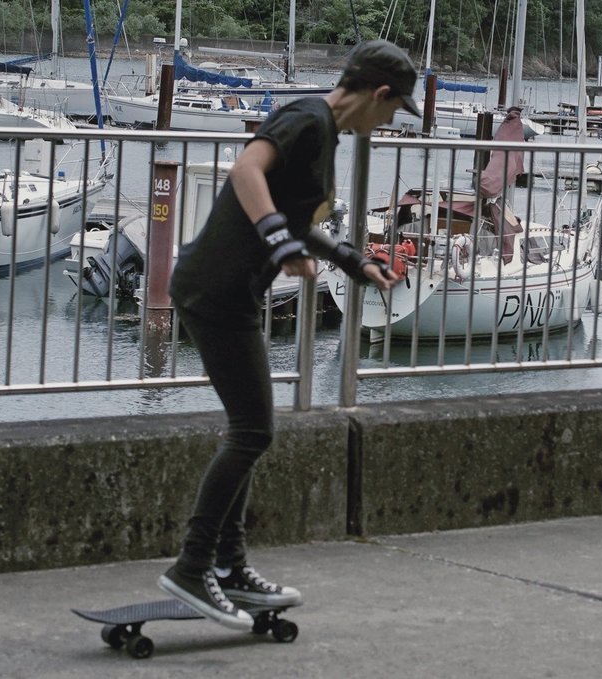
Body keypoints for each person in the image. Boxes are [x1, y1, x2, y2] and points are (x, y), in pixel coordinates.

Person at [158, 40, 420, 628]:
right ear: (379, 95)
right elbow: (246, 169)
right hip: (214, 288)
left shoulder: (323, 133)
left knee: (250, 430)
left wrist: (356, 263)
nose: (390, 122)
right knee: (253, 432)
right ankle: (193, 567)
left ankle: (228, 567)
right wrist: (279, 243)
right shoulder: (307, 119)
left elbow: (300, 222)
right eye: (395, 110)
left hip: (234, 290)